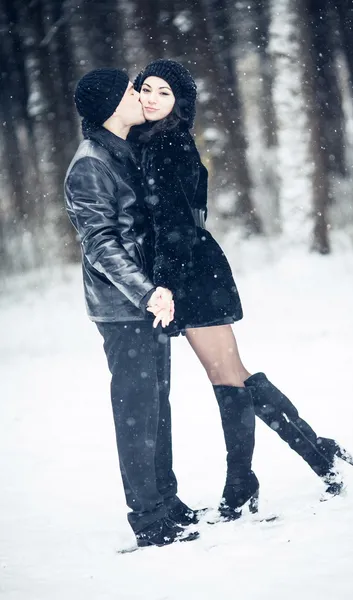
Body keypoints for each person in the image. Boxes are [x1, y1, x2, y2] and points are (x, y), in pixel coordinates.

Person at [130, 59, 353, 520]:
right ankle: (318, 454)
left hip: (190, 272)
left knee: (228, 379)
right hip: (190, 267)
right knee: (235, 377)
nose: (152, 98)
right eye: (146, 88)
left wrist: (166, 285)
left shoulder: (168, 143)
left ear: (180, 103)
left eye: (164, 93)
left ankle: (243, 484)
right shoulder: (152, 141)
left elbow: (175, 222)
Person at [64, 68, 200, 547]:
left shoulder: (129, 149)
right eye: (129, 91)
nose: (138, 95)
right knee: (136, 411)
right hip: (123, 308)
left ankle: (169, 502)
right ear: (108, 106)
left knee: (156, 406)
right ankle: (149, 520)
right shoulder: (90, 163)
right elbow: (100, 243)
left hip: (150, 301)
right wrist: (145, 291)